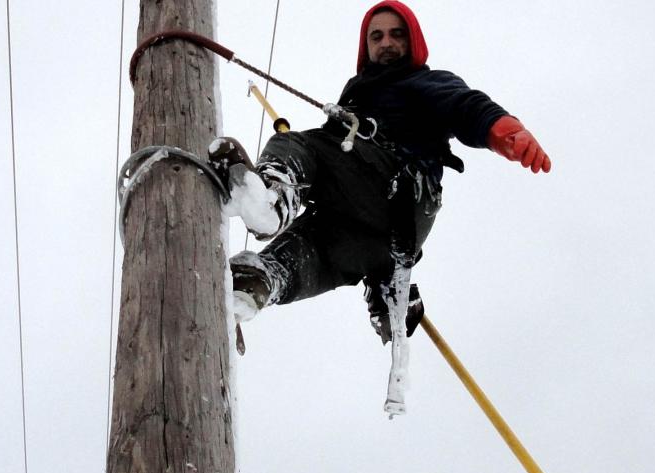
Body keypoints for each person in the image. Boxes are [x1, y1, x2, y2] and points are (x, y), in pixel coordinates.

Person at [211, 0, 551, 343]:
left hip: (398, 191)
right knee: (310, 248)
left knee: (301, 146)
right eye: (377, 37)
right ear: (367, 46)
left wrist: (506, 132)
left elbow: (466, 106)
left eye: (396, 34)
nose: (386, 43)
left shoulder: (421, 82)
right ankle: (251, 287)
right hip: (379, 241)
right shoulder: (358, 93)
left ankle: (273, 199)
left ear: (412, 41)